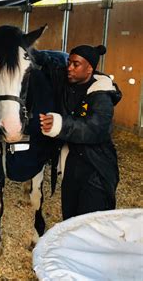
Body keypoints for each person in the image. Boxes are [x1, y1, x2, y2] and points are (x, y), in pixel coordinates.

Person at [36, 44, 121, 220]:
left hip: (96, 167)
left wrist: (59, 125)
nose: (70, 68)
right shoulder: (67, 82)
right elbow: (48, 61)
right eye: (69, 63)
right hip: (72, 165)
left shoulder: (101, 95)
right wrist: (24, 48)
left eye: (76, 64)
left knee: (91, 223)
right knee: (71, 220)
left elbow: (96, 128)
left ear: (89, 68)